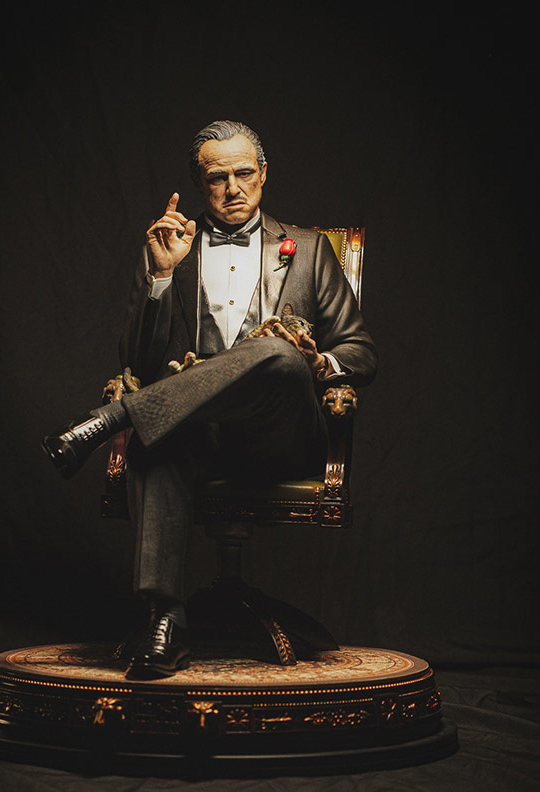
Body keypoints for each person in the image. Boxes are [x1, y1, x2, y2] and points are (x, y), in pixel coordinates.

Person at [42, 120, 377, 680]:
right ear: (199, 185)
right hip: (199, 432)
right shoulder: (171, 250)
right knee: (157, 437)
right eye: (218, 178)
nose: (233, 188)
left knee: (278, 353)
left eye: (244, 173)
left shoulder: (310, 250)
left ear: (264, 174)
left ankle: (107, 420)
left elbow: (360, 352)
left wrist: (318, 362)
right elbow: (139, 362)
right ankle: (164, 620)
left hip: (281, 435)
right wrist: (161, 276)